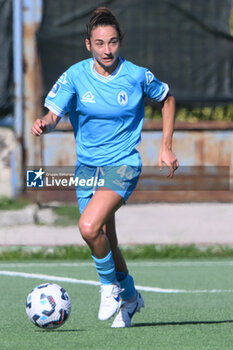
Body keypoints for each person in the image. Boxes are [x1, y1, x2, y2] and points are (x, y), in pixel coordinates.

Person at [31, 7, 179, 328]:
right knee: (105, 238)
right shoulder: (74, 76)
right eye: (99, 43)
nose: (107, 50)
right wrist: (45, 122)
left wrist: (165, 146)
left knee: (87, 227)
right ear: (88, 45)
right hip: (87, 171)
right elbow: (53, 115)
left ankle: (108, 287)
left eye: (112, 42)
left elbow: (167, 99)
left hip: (123, 165)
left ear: (119, 42)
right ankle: (130, 297)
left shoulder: (137, 75)